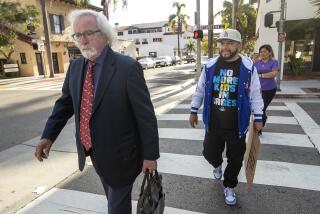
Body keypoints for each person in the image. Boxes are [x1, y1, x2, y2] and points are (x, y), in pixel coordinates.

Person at [34, 9, 159, 214]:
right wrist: (48, 136)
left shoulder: (128, 68)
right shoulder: (75, 67)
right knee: (113, 198)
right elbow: (64, 104)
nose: (82, 40)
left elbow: (145, 116)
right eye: (78, 35)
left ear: (104, 34)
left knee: (116, 207)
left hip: (123, 157)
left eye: (88, 33)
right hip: (95, 154)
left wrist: (150, 156)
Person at [189, 29, 264, 206]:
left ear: (239, 45)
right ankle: (216, 165)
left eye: (230, 43)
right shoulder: (210, 66)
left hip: (237, 124)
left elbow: (255, 94)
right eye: (222, 43)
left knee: (236, 158)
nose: (225, 46)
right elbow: (200, 89)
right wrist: (193, 110)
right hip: (213, 123)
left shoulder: (248, 67)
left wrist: (259, 117)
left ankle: (229, 185)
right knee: (208, 152)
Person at [254, 44, 278, 134]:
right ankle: (260, 124)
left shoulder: (273, 62)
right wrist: (253, 59)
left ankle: (259, 128)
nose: (262, 53)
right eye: (261, 52)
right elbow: (251, 71)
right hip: (258, 89)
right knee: (259, 108)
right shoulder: (257, 62)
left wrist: (260, 75)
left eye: (264, 51)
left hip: (269, 89)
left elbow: (274, 73)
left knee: (262, 108)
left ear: (270, 52)